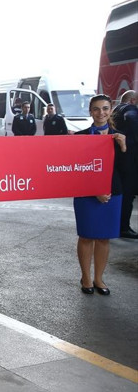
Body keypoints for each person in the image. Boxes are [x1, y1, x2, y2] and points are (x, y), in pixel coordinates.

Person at [73, 95, 128, 296]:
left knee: (104, 239)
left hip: (113, 193)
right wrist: (94, 190)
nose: (101, 113)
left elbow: (126, 171)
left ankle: (98, 278)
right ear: (90, 111)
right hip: (86, 194)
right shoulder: (80, 137)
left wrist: (123, 147)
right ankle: (86, 277)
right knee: (86, 236)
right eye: (96, 109)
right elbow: (77, 170)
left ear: (111, 110)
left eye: (105, 108)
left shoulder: (120, 137)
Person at [112, 90, 137, 238]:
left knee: (118, 193)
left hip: (117, 159)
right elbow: (133, 118)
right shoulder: (129, 109)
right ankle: (124, 227)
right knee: (128, 194)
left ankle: (115, 225)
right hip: (129, 159)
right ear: (132, 100)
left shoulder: (115, 110)